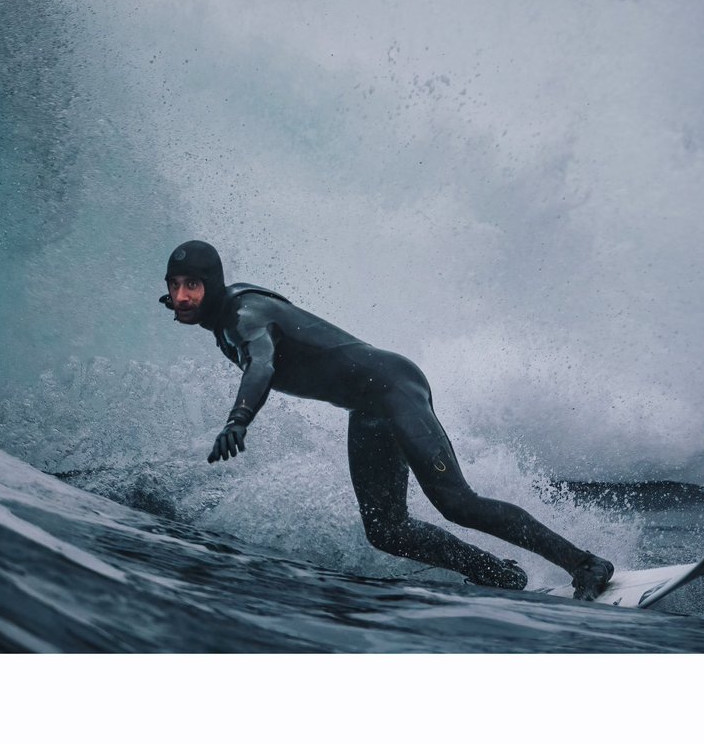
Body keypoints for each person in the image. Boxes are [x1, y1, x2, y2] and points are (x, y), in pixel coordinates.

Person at [159, 239, 615, 599]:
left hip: (394, 387)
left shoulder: (243, 316)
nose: (182, 296)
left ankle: (584, 564)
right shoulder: (224, 312)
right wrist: (191, 308)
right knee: (386, 530)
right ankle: (498, 574)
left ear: (214, 284)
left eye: (192, 286)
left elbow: (262, 362)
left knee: (456, 502)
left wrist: (239, 419)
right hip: (368, 408)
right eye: (174, 285)